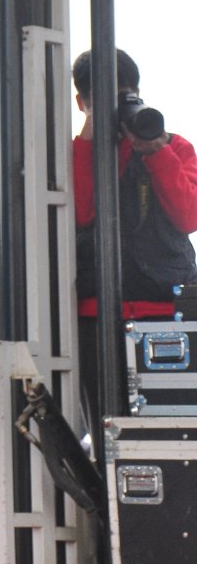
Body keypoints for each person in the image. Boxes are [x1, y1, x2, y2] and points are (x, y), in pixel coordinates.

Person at [72, 48, 197, 443]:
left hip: (166, 312)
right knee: (107, 439)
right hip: (96, 318)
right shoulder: (78, 153)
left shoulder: (173, 148)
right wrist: (91, 139)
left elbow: (189, 216)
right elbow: (80, 212)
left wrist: (155, 152)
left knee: (175, 437)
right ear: (82, 103)